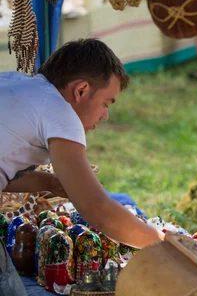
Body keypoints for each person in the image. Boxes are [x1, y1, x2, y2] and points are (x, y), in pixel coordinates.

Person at [0, 39, 164, 294]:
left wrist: (48, 182)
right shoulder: (59, 111)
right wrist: (162, 244)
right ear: (81, 90)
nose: (105, 115)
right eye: (106, 103)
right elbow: (98, 209)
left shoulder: (16, 84)